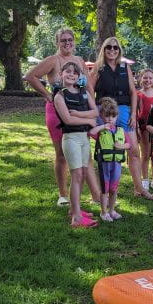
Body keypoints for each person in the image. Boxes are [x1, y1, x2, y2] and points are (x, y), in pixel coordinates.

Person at [23, 28, 100, 206]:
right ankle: (63, 194)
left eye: (70, 40)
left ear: (74, 41)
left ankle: (96, 195)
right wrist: (48, 95)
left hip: (80, 111)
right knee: (61, 155)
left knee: (85, 153)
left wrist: (92, 106)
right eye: (63, 40)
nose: (67, 43)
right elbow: (30, 76)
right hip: (58, 111)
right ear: (57, 42)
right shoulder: (52, 60)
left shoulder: (79, 61)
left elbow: (88, 86)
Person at [87, 36, 153, 200]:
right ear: (104, 49)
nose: (112, 50)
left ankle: (140, 189)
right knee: (105, 152)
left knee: (133, 150)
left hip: (124, 110)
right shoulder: (98, 68)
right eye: (108, 47)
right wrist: (95, 112)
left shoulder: (125, 67)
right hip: (104, 111)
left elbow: (133, 92)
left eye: (115, 47)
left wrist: (133, 113)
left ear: (119, 50)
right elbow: (89, 90)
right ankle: (101, 193)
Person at [53, 61, 99, 228]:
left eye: (75, 73)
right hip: (71, 139)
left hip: (84, 139)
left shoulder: (84, 92)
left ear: (79, 76)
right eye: (68, 72)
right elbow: (67, 120)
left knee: (84, 173)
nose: (71, 74)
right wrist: (90, 121)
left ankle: (74, 210)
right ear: (61, 75)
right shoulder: (60, 96)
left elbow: (95, 112)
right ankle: (77, 218)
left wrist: (81, 114)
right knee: (77, 175)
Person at [90, 97, 127, 222]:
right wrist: (102, 127)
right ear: (101, 116)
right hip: (104, 164)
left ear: (117, 117)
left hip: (116, 164)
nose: (110, 119)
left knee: (114, 188)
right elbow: (91, 132)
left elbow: (130, 144)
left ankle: (112, 210)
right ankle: (103, 212)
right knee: (105, 189)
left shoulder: (120, 130)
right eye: (107, 116)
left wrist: (122, 146)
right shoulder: (101, 131)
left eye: (113, 116)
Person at [136, 68, 153, 192]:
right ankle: (145, 179)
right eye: (145, 77)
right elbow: (136, 112)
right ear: (140, 79)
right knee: (145, 155)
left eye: (150, 78)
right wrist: (138, 128)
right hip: (144, 128)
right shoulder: (138, 94)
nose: (147, 80)